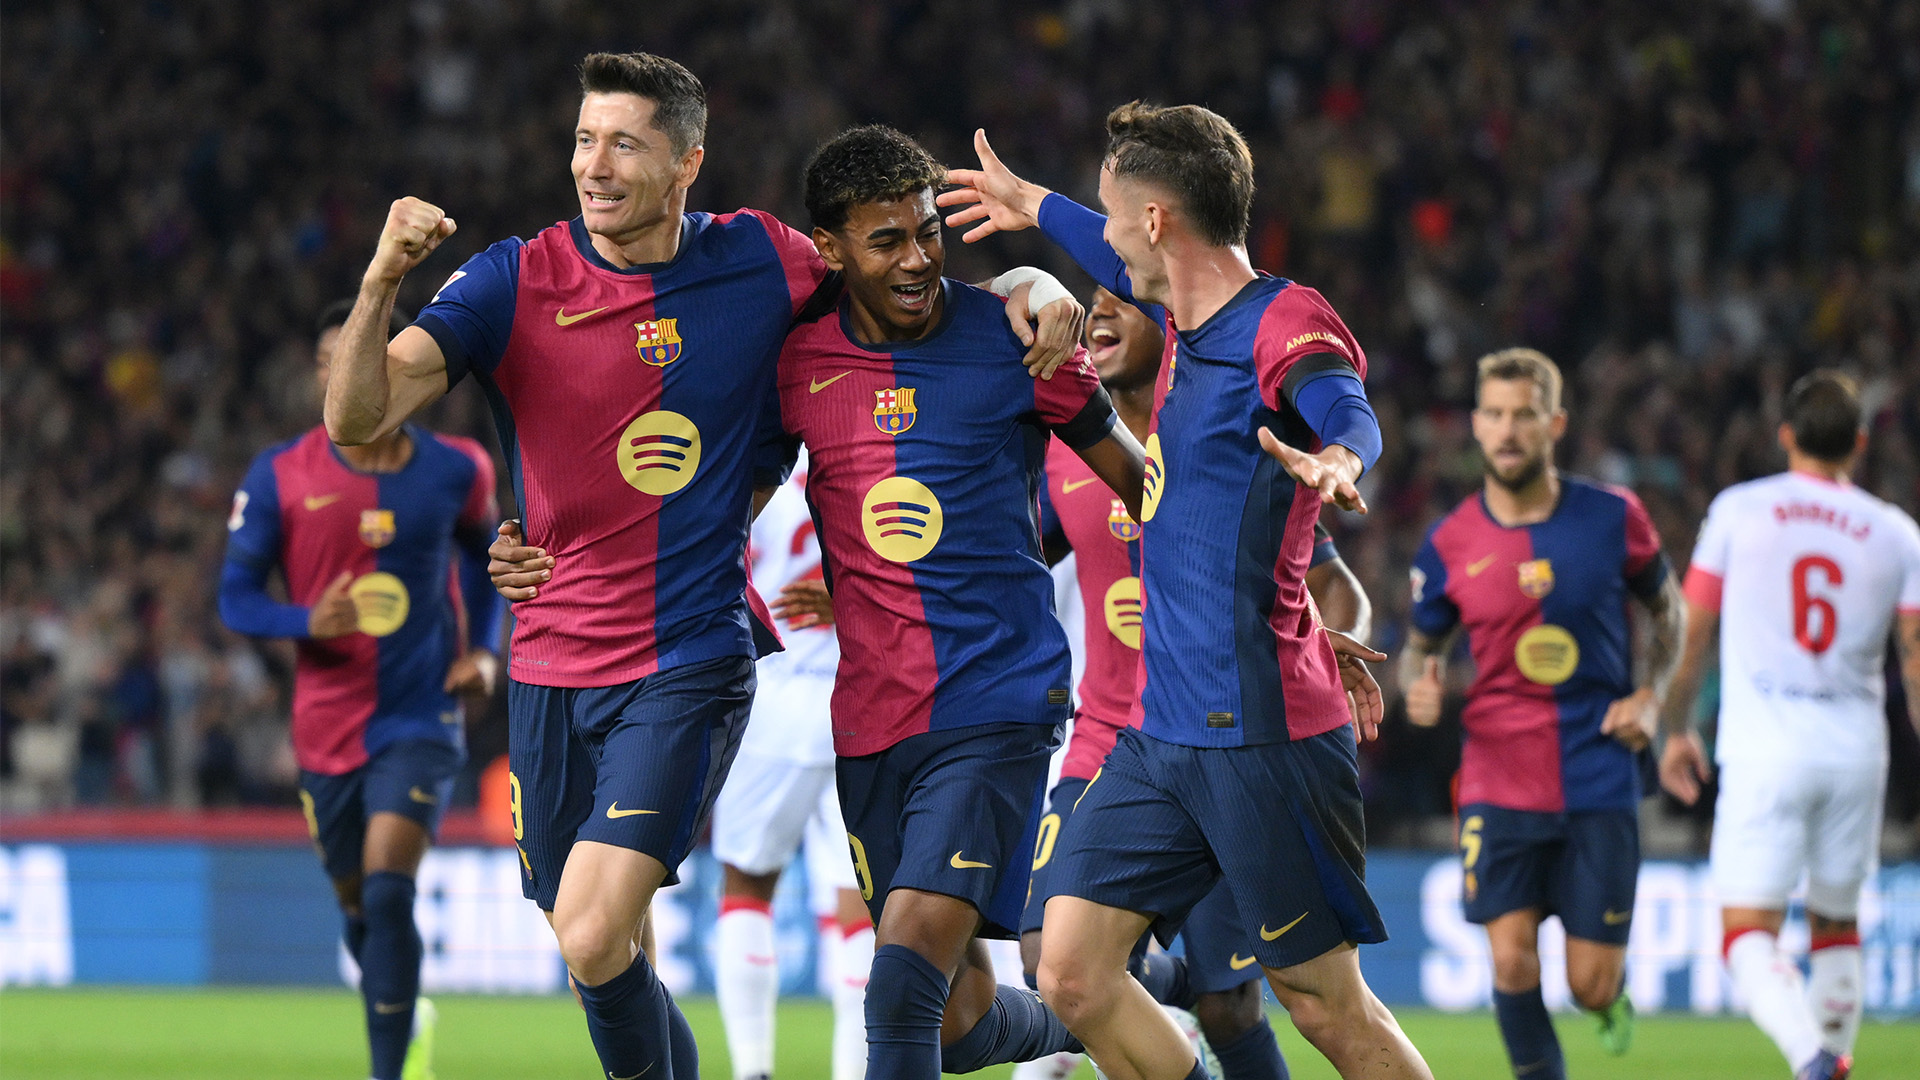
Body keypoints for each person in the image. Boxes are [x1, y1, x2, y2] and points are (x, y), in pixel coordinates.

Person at [324, 53, 1080, 1080]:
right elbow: (358, 414)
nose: (595, 164)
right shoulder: (514, 279)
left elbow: (904, 282)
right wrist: (380, 280)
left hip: (687, 654)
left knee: (596, 934)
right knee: (599, 948)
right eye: (585, 139)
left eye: (624, 142)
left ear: (687, 162)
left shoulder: (760, 262)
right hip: (550, 656)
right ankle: (1086, 1019)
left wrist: (1026, 282)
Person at [941, 104, 1429, 1080]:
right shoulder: (1179, 317)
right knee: (1074, 972)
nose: (1108, 246)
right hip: (1160, 737)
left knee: (1324, 1005)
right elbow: (1090, 234)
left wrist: (1338, 455)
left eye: (1119, 223)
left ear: (1159, 224)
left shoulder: (1279, 320)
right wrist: (1030, 202)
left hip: (1262, 734)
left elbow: (1345, 403)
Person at [765, 124, 1147, 1080]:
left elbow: (1145, 488)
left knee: (895, 984)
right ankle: (1134, 999)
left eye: (927, 231)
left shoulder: (1017, 341)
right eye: (885, 241)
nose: (917, 258)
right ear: (831, 251)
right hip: (870, 721)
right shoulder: (796, 364)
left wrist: (1278, 602)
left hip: (996, 704)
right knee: (955, 1020)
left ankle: (1124, 998)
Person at [1015, 287, 1374, 1080]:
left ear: (1170, 325)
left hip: (1226, 732)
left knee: (1234, 1004)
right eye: (1090, 303)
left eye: (1123, 304)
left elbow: (1338, 584)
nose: (1098, 317)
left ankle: (1193, 992)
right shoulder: (1068, 450)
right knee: (1052, 959)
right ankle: (1172, 987)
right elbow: (1012, 559)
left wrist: (1328, 642)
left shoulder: (1223, 438)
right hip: (1108, 737)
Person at [219, 298, 503, 1080]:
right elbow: (234, 597)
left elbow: (488, 566)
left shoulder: (457, 469)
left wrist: (484, 652)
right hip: (325, 726)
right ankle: (402, 1004)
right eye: (334, 359)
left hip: (419, 718)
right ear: (321, 375)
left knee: (386, 894)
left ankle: (388, 1070)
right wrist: (308, 619)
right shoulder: (280, 474)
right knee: (358, 908)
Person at [1397, 348, 1684, 1079]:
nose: (1507, 429)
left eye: (1524, 413)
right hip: (1497, 777)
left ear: (1554, 423)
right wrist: (1418, 683)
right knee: (1510, 956)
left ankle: (1607, 1001)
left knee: (1592, 984)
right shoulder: (1450, 541)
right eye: (1493, 414)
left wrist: (1650, 696)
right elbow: (1419, 648)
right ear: (1475, 425)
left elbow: (1670, 613)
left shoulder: (1615, 518)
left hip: (1599, 771)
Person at [1659, 371, 1920, 1080]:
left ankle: (1814, 1058)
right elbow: (1917, 661)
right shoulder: (1897, 534)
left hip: (1766, 749)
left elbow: (1694, 631)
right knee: (1837, 924)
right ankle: (1833, 1058)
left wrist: (1675, 726)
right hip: (1858, 753)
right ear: (1858, 444)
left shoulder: (1742, 511)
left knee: (1747, 934)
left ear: (1786, 436)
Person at [712, 456, 871, 1080]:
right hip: (857, 697)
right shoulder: (859, 443)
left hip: (771, 695)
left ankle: (752, 1071)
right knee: (857, 909)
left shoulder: (752, 445)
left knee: (747, 888)